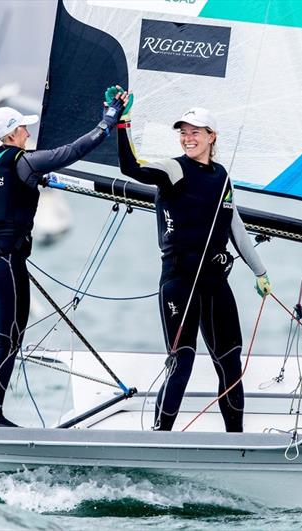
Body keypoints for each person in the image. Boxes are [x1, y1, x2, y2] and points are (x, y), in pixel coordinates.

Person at [0, 96, 125, 427]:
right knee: (8, 341)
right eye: (23, 128)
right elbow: (72, 152)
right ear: (11, 134)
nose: (27, 134)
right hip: (2, 261)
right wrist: (107, 122)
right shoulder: (23, 161)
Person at [116, 98, 272, 432]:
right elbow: (131, 169)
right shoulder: (174, 169)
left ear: (212, 136)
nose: (188, 138)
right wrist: (121, 124)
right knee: (182, 359)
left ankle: (236, 441)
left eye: (195, 132)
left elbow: (234, 226)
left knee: (229, 361)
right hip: (180, 280)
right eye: (184, 133)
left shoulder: (222, 177)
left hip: (215, 282)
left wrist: (259, 271)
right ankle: (160, 437)